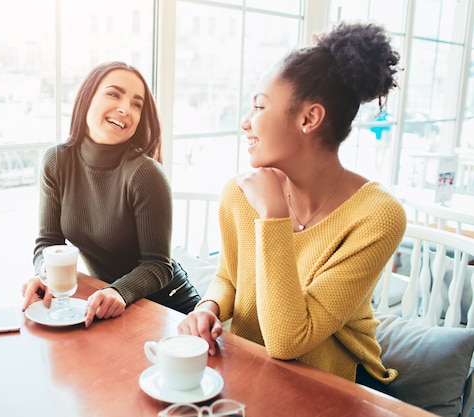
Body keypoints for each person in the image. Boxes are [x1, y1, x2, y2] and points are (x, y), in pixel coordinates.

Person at [177, 22, 407, 387]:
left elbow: (288, 340)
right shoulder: (238, 194)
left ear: (309, 118)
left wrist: (273, 217)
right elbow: (228, 277)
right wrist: (209, 307)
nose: (245, 122)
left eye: (259, 106)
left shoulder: (378, 215)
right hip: (253, 368)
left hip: (334, 383)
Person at [22, 61, 200, 327]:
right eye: (114, 94)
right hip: (108, 301)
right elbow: (48, 242)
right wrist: (46, 275)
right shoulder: (56, 161)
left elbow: (158, 265)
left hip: (168, 307)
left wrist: (118, 291)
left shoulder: (145, 174)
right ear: (87, 97)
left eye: (136, 104)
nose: (125, 109)